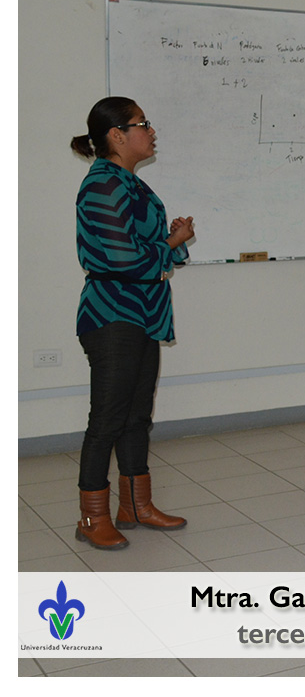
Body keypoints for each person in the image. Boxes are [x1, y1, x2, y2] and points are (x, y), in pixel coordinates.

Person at [71, 96, 194, 550]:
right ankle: (92, 518)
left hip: (142, 312)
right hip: (112, 314)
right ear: (117, 136)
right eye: (143, 123)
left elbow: (149, 253)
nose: (152, 131)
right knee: (107, 420)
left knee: (137, 417)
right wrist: (170, 244)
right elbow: (124, 259)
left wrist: (173, 240)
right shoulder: (103, 184)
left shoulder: (130, 182)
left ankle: (136, 507)